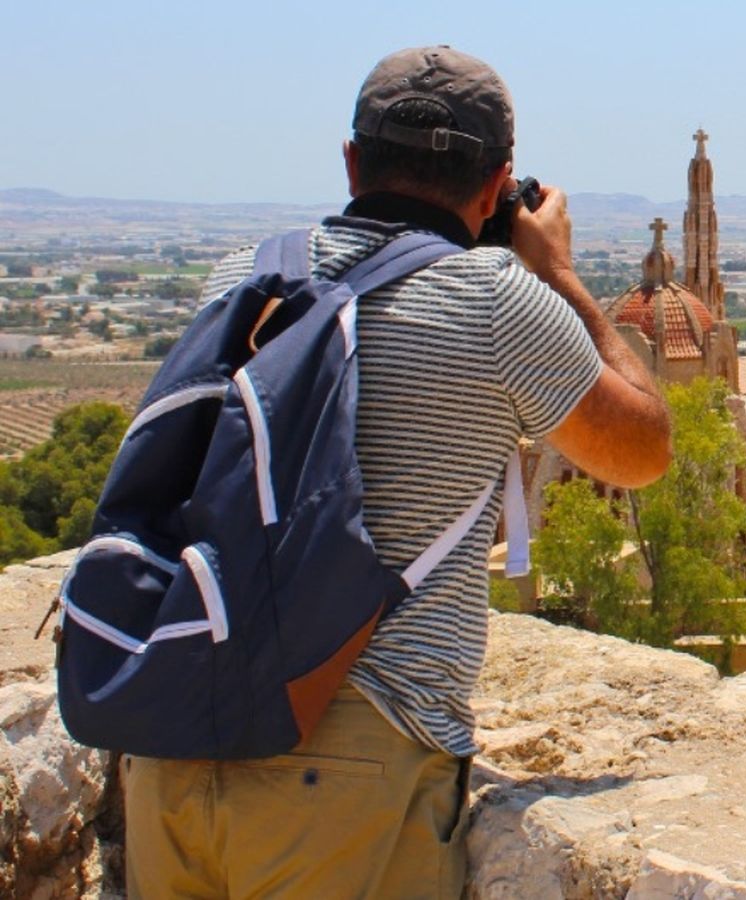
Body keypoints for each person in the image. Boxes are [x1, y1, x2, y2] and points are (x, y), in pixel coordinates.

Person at [121, 46, 671, 899]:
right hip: (348, 761)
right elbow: (642, 451)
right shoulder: (494, 297)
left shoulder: (247, 276)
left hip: (175, 742)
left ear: (350, 162)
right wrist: (556, 268)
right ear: (498, 187)